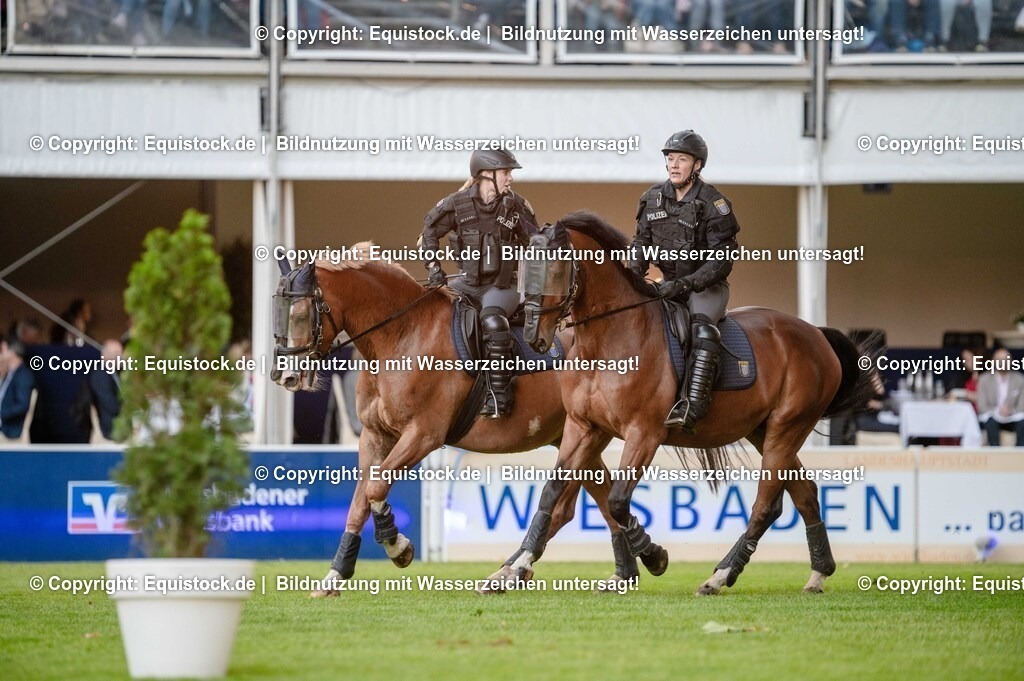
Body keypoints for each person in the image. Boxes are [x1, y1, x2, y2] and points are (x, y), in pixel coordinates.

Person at [628, 130, 740, 431]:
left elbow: (722, 261)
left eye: (682, 159)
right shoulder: (651, 198)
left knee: (703, 330)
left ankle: (693, 405)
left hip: (705, 287)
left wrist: (686, 284)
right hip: (664, 283)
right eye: (670, 159)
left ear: (698, 165)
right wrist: (632, 274)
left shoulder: (714, 203)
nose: (674, 165)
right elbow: (641, 243)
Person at [420, 149, 539, 418]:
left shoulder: (517, 206)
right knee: (431, 310)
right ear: (487, 174)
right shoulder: (457, 204)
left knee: (493, 321)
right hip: (467, 283)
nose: (510, 179)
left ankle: (499, 396)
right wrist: (433, 270)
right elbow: (429, 231)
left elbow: (537, 244)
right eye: (506, 172)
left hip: (503, 287)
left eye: (510, 173)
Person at [976, 348, 1024, 446]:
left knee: (1022, 422)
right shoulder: (984, 379)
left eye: (1006, 360)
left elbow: (1022, 404)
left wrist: (1010, 410)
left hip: (1013, 415)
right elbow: (981, 405)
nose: (1002, 363)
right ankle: (995, 451)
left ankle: (1020, 453)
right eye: (999, 360)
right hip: (993, 414)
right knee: (990, 421)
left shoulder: (1019, 379)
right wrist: (998, 410)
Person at [0, 335, 36, 442]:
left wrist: (1, 414)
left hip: (10, 431)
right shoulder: (9, 374)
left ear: (12, 351)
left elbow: (22, 405)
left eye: (2, 349)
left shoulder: (23, 375)